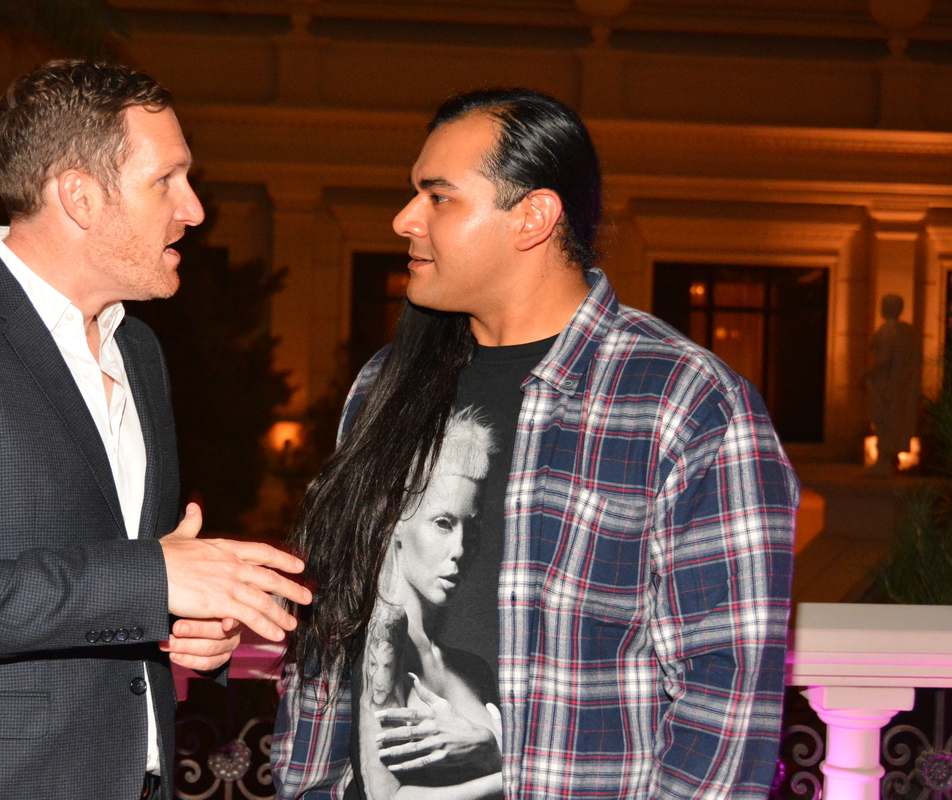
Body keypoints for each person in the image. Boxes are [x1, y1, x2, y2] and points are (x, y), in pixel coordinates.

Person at [273, 88, 797, 800]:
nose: (405, 219)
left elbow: (725, 695)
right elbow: (335, 628)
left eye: (438, 197)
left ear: (533, 217)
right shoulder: (385, 385)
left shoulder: (683, 401)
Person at [0, 59, 311, 800]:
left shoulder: (139, 350)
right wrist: (153, 578)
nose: (193, 209)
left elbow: (132, 580)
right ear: (79, 196)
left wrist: (189, 622)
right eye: (167, 180)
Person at [358, 407, 502, 800]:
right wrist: (515, 774)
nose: (460, 549)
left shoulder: (475, 670)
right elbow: (386, 798)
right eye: (443, 523)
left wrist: (494, 753)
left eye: (471, 527)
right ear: (396, 522)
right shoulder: (383, 642)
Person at [864, 294, 922, 475]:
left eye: (884, 305)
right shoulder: (908, 332)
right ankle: (888, 460)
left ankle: (884, 462)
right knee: (892, 421)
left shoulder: (887, 330)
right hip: (899, 386)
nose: (881, 308)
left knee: (883, 422)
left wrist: (865, 373)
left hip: (885, 384)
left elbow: (884, 359)